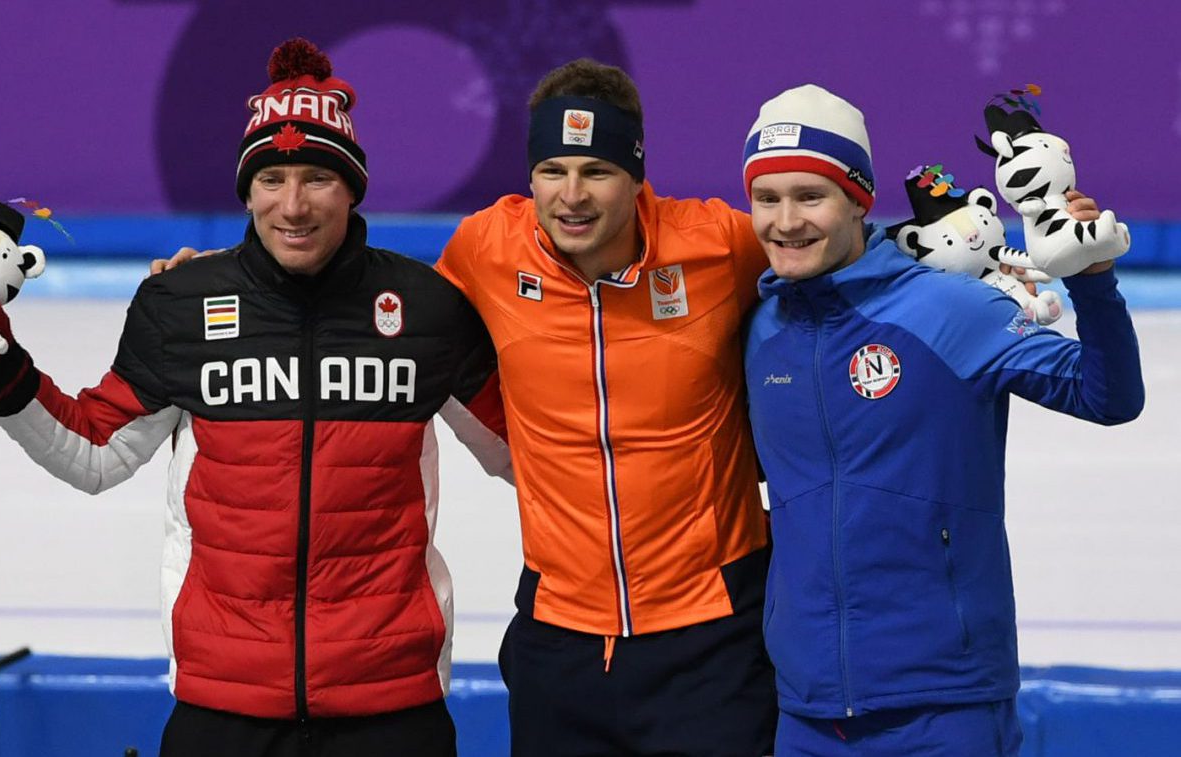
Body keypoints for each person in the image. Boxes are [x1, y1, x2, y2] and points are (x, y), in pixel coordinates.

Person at [0, 38, 509, 756]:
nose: (293, 204)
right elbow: (94, 452)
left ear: (352, 187)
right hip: (223, 705)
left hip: (391, 704)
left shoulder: (425, 308)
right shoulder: (182, 304)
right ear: (246, 188)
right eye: (272, 178)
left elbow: (529, 453)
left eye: (317, 176)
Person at [739, 84, 1145, 755]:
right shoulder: (762, 333)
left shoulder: (950, 308)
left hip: (945, 705)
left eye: (810, 196)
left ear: (859, 200)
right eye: (766, 198)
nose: (786, 221)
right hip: (808, 713)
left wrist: (1093, 280)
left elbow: (1108, 396)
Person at [433, 59, 778, 756]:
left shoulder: (719, 244)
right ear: (528, 176)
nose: (572, 196)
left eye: (597, 171)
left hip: (712, 635)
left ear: (637, 172)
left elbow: (832, 255)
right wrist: (209, 279)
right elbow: (370, 303)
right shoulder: (486, 248)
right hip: (560, 640)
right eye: (552, 171)